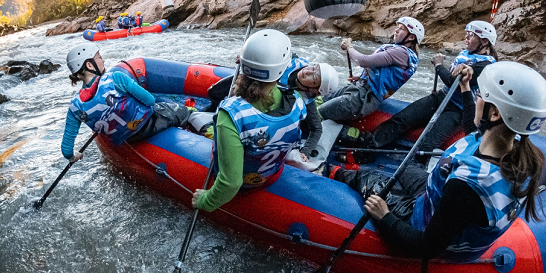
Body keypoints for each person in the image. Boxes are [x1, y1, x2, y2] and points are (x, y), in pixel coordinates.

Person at [331, 61, 546, 273]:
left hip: (419, 223)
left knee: (369, 177)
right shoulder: (513, 149)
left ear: (495, 115)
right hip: (434, 198)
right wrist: (465, 88)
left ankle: (331, 171)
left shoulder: (466, 187)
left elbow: (426, 246)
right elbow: (471, 129)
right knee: (405, 167)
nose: (477, 98)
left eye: (481, 96)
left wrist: (384, 216)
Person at [345, 21, 499, 163]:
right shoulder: (468, 54)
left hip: (458, 111)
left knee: (427, 144)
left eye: (471, 36)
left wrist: (439, 65)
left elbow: (453, 82)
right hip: (441, 97)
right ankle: (363, 153)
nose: (466, 38)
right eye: (467, 34)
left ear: (484, 42)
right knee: (401, 120)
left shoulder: (485, 66)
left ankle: (413, 173)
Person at [192, 30, 308, 212]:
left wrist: (205, 201)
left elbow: (230, 183)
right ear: (283, 69)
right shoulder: (298, 102)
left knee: (197, 119)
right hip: (272, 173)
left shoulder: (231, 114)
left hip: (245, 184)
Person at [61, 43, 194, 162]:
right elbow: (149, 100)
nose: (103, 60)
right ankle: (202, 125)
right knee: (183, 112)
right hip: (147, 123)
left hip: (126, 139)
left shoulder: (75, 106)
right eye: (99, 57)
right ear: (89, 65)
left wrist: (73, 157)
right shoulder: (115, 78)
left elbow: (66, 150)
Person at [206, 56, 339, 158]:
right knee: (214, 93)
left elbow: (316, 129)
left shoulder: (305, 100)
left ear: (314, 90)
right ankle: (211, 111)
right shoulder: (292, 60)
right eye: (314, 67)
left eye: (314, 78)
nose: (308, 71)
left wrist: (305, 152)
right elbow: (267, 55)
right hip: (256, 84)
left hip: (264, 105)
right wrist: (248, 59)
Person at [318, 17, 424, 124]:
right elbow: (383, 73)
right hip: (360, 90)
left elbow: (364, 61)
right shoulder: (401, 52)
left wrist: (349, 47)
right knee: (319, 100)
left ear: (411, 37)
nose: (396, 30)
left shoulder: (402, 53)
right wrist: (363, 77)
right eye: (398, 27)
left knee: (319, 112)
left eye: (401, 29)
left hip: (363, 98)